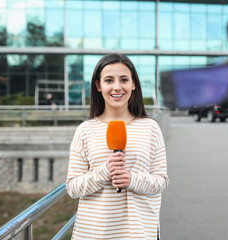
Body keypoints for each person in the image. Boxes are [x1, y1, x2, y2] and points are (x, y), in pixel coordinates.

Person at [66, 54, 169, 240]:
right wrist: (105, 171)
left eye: (124, 80)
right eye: (108, 80)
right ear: (98, 85)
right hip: (92, 234)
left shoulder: (151, 127)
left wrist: (131, 179)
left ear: (133, 84)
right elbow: (73, 187)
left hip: (139, 233)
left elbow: (161, 181)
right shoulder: (85, 131)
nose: (117, 87)